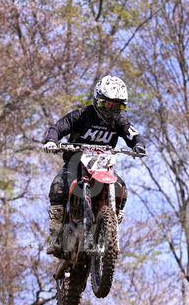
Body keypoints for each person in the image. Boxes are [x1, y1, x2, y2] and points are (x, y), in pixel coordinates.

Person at [43, 75, 146, 255]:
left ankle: (111, 226)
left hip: (102, 166)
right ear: (98, 100)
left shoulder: (119, 121)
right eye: (108, 104)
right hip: (75, 162)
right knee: (58, 186)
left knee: (121, 187)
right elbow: (58, 127)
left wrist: (138, 145)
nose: (112, 109)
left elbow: (132, 134)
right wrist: (51, 141)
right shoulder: (82, 115)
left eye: (118, 106)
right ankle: (56, 235)